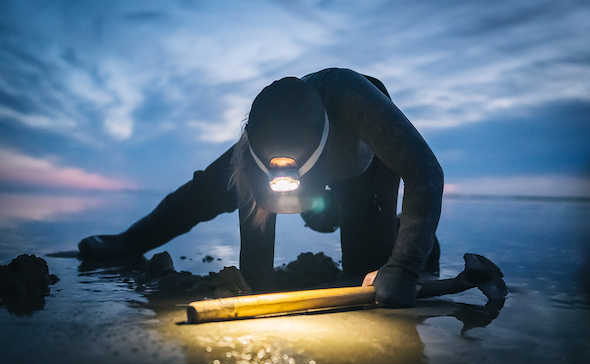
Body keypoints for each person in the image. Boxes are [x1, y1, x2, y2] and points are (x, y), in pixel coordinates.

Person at [79, 68, 507, 307]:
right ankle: (126, 239)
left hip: (363, 170)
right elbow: (250, 246)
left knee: (367, 271)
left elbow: (426, 174)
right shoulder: (257, 141)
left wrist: (405, 267)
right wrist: (256, 285)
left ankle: (415, 239)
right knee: (206, 190)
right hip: (303, 177)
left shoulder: (359, 103)